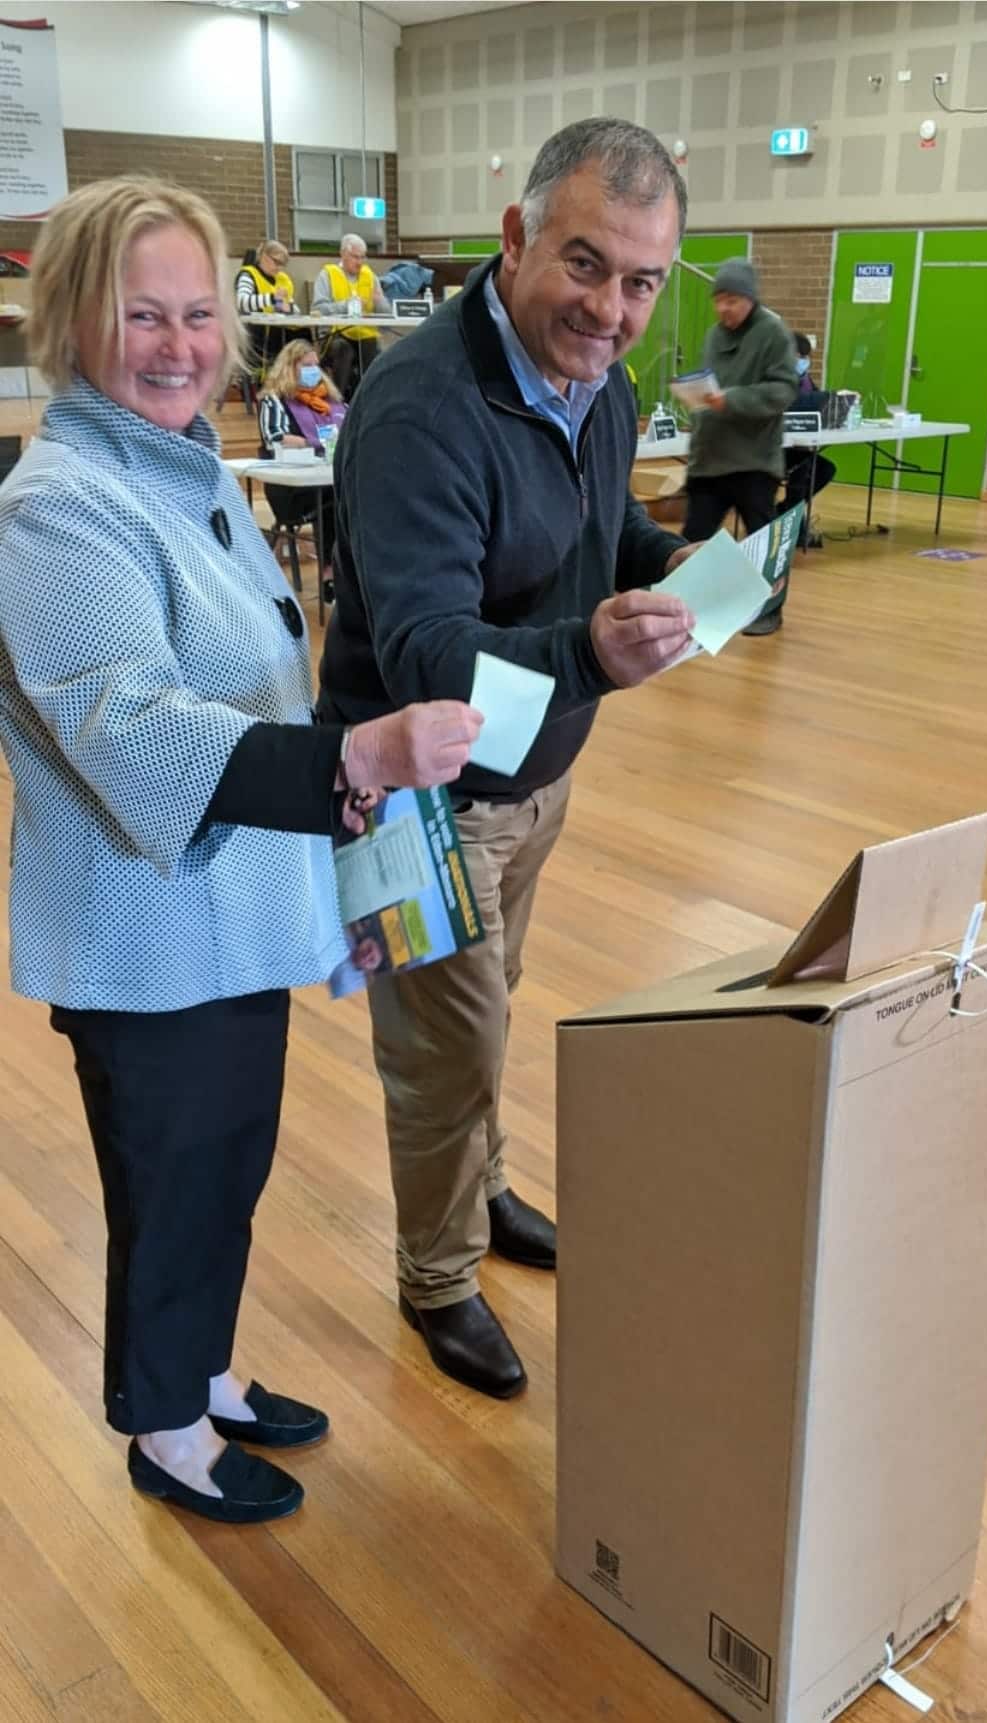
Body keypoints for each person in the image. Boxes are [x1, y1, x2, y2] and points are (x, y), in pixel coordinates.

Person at [0, 176, 481, 1524]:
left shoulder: (187, 465)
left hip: (230, 913)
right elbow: (129, 724)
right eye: (140, 314)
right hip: (147, 933)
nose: (179, 345)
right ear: (72, 322)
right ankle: (164, 1426)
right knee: (171, 1184)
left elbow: (262, 682)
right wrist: (355, 761)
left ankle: (201, 1371)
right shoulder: (58, 506)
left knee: (224, 1167)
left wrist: (347, 815)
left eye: (198, 313)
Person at [319, 118, 697, 1400]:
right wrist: (591, 652)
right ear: (516, 236)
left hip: (534, 781)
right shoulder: (419, 408)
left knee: (487, 1011)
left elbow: (602, 523)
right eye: (584, 264)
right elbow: (426, 654)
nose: (609, 310)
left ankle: (478, 1193)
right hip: (413, 805)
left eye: (641, 282)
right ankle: (435, 1277)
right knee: (445, 1051)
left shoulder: (599, 383)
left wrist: (670, 560)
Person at [684, 258, 798, 636]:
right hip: (710, 457)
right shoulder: (713, 336)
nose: (723, 308)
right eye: (718, 300)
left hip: (754, 460)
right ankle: (681, 607)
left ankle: (768, 610)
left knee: (764, 543)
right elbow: (708, 384)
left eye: (732, 300)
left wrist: (730, 400)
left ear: (750, 298)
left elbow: (783, 390)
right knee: (692, 537)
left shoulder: (773, 333)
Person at [258, 338, 347, 603]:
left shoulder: (330, 401)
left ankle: (354, 574)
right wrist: (315, 442)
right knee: (335, 500)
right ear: (290, 367)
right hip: (291, 489)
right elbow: (275, 438)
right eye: (306, 366)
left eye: (315, 366)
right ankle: (330, 575)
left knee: (353, 496)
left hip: (326, 479)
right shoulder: (275, 400)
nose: (313, 371)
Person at [312, 234, 391, 402]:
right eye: (355, 257)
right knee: (343, 350)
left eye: (363, 257)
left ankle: (367, 401)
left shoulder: (371, 277)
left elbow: (386, 316)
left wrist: (380, 301)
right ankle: (337, 402)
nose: (360, 262)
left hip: (364, 335)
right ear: (343, 254)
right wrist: (347, 305)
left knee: (374, 350)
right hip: (334, 334)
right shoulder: (327, 275)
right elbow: (318, 309)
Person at [783, 331, 837, 550]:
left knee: (825, 469)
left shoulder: (805, 380)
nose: (803, 360)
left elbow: (812, 403)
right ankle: (796, 528)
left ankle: (786, 511)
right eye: (798, 356)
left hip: (798, 445)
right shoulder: (779, 380)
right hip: (776, 449)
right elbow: (796, 403)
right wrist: (826, 396)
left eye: (805, 356)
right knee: (802, 467)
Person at [235, 239, 296, 375]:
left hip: (276, 337)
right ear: (264, 256)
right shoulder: (248, 275)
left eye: (283, 264)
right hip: (253, 338)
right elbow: (242, 302)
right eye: (276, 262)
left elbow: (292, 308)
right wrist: (272, 298)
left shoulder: (282, 280)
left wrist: (288, 308)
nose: (279, 268)